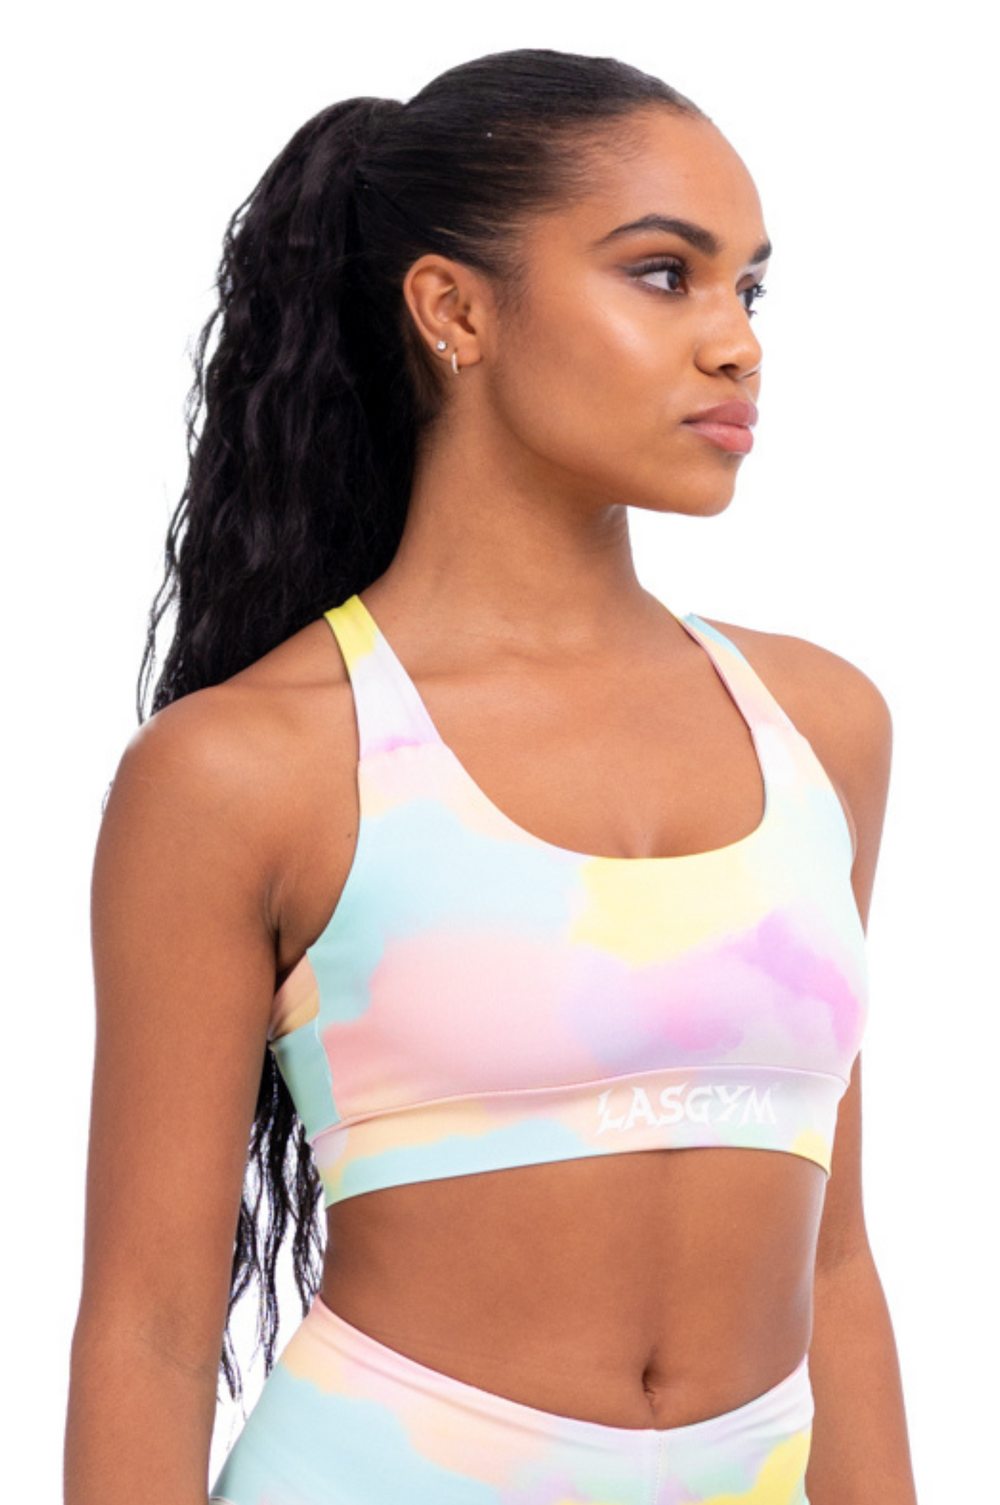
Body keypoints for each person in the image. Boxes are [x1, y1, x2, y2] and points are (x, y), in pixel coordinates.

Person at [64, 47, 918, 1505]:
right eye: (665, 275)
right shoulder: (248, 768)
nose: (736, 344)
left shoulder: (820, 724)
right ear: (454, 310)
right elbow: (148, 1328)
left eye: (750, 289)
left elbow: (834, 1261)